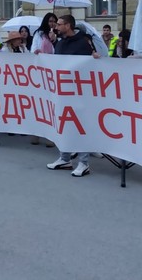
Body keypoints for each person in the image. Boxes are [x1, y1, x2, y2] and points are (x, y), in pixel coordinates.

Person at [46, 15, 94, 177]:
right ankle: (65, 158)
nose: (56, 27)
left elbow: (92, 65)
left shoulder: (83, 43)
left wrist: (95, 58)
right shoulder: (60, 43)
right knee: (63, 124)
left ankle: (83, 162)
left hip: (80, 93)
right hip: (62, 92)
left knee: (80, 126)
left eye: (59, 24)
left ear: (68, 25)